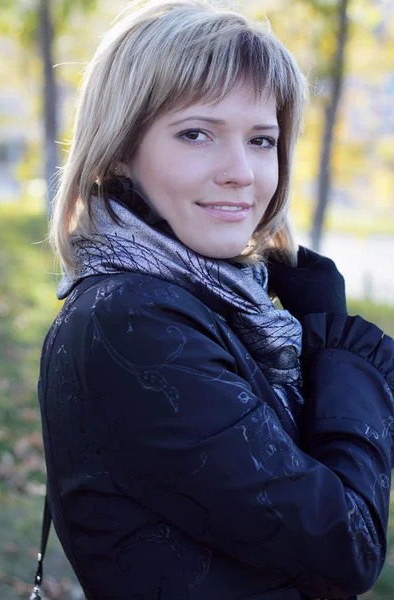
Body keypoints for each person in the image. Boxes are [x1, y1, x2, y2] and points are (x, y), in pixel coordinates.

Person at [37, 1, 394, 599]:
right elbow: (346, 545)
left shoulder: (210, 303)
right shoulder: (133, 321)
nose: (241, 173)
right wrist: (338, 354)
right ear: (120, 147)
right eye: (197, 134)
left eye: (261, 140)